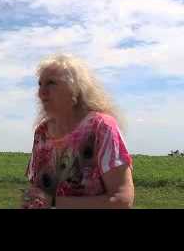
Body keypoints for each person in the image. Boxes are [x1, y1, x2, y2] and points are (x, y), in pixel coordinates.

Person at [23, 53, 134, 209]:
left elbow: (122, 200)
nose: (41, 92)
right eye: (40, 84)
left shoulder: (101, 128)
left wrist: (54, 203)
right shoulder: (42, 133)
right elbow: (39, 193)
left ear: (75, 89)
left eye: (51, 83)